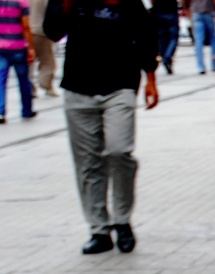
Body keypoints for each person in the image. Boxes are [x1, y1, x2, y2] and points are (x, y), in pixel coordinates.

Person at [45, 0, 157, 254]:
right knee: (87, 162)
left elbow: (145, 30)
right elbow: (52, 31)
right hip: (77, 84)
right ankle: (99, 228)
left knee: (119, 151)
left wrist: (151, 78)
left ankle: (122, 220)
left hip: (120, 83)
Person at [0, 0, 36, 123]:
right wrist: (31, 47)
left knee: (1, 80)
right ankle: (27, 110)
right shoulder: (22, 2)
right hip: (18, 47)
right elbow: (25, 26)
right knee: (24, 80)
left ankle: (0, 112)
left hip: (1, 47)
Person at [183, 0, 215, 74]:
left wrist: (186, 8)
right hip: (209, 11)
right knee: (214, 38)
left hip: (196, 11)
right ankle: (214, 64)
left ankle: (200, 66)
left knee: (198, 40)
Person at [29, 0, 55, 95]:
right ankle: (46, 85)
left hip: (28, 30)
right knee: (47, 61)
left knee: (30, 61)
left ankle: (30, 87)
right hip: (42, 31)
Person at [153, 0, 179, 74]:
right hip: (171, 10)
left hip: (159, 11)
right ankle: (168, 56)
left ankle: (164, 57)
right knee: (173, 37)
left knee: (162, 37)